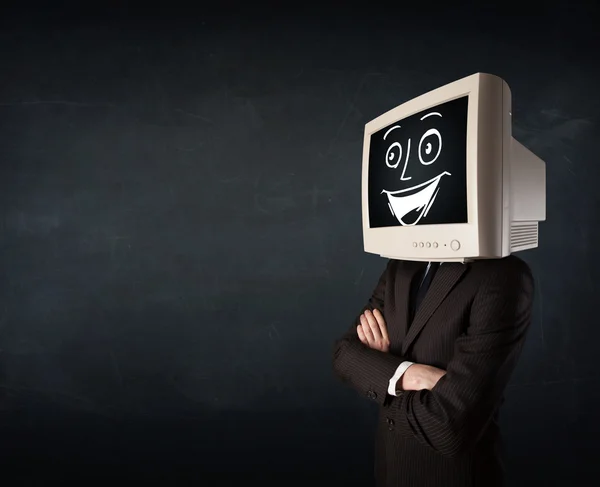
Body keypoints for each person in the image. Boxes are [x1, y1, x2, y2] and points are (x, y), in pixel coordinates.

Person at [332, 256, 534, 487]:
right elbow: (344, 354)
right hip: (391, 471)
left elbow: (450, 426)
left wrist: (383, 376)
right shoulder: (401, 264)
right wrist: (410, 374)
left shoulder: (502, 275)